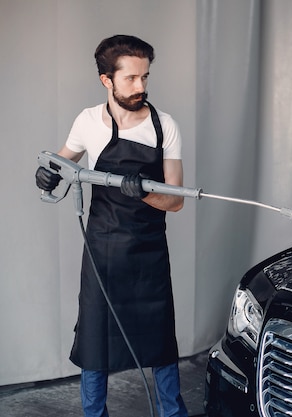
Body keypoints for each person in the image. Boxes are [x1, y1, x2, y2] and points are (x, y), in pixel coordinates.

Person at [35, 35, 188, 417]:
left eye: (145, 77)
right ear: (107, 80)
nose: (141, 87)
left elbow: (177, 200)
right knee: (95, 338)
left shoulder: (163, 125)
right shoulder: (87, 122)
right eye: (131, 79)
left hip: (149, 251)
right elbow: (60, 163)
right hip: (103, 248)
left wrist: (144, 194)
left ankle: (173, 413)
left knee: (160, 338)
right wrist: (45, 174)